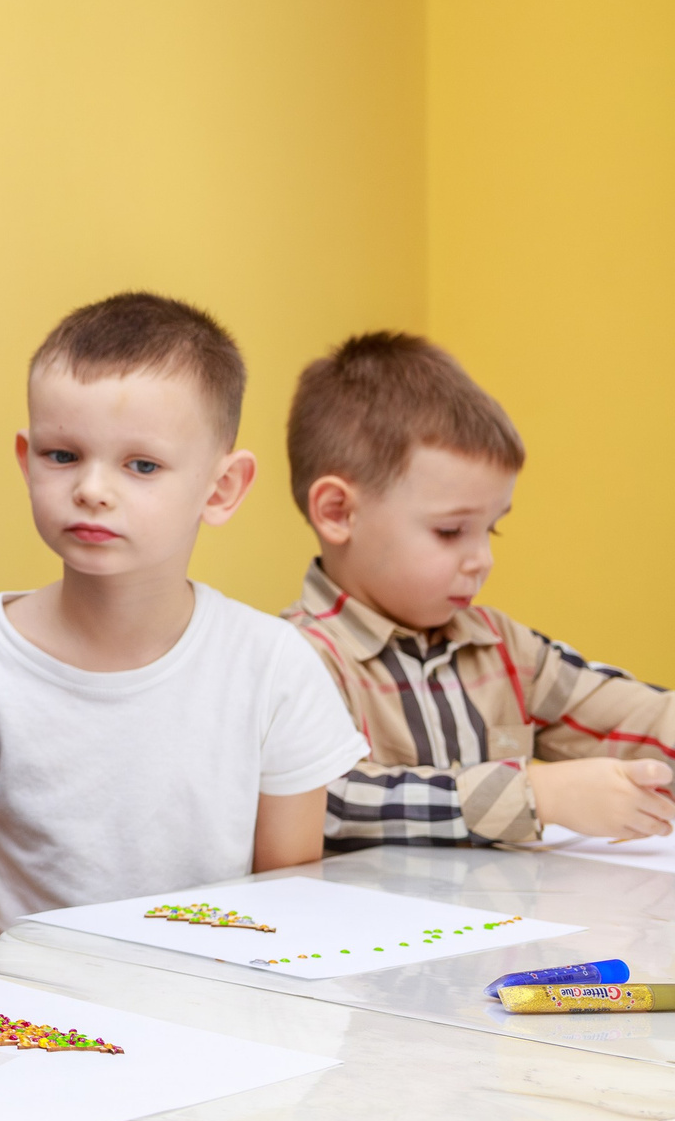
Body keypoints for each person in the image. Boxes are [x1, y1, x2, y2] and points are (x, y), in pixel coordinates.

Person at [0, 293, 365, 943]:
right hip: (27, 1028)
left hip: (222, 1019)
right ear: (26, 459)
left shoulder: (275, 668)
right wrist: (2, 1015)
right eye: (62, 455)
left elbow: (285, 903)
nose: (92, 488)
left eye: (142, 465)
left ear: (222, 488)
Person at [280, 331, 675, 847]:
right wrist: (537, 793)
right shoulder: (291, 659)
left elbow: (630, 715)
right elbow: (331, 800)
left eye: (492, 528)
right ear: (338, 512)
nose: (482, 560)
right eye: (450, 531)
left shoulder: (503, 648)